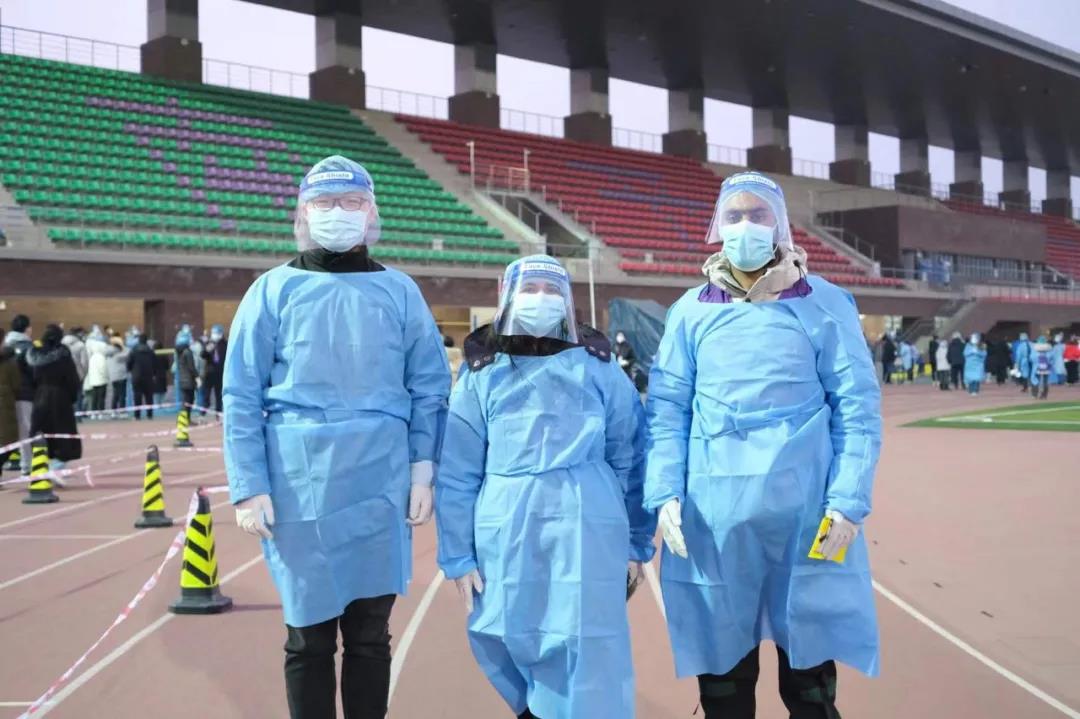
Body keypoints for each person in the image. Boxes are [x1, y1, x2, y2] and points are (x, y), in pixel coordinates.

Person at [646, 171, 882, 718]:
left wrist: (848, 500)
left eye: (758, 215)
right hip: (714, 519)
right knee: (723, 676)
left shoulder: (824, 304)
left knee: (809, 675)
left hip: (806, 517)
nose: (745, 226)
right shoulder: (691, 312)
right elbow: (667, 410)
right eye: (734, 216)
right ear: (717, 225)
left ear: (780, 225)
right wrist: (664, 492)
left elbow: (857, 408)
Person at [223, 155, 451, 719]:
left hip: (380, 480)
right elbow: (241, 394)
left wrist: (423, 468)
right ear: (303, 213)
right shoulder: (271, 291)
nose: (338, 213)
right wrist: (249, 485)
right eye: (325, 203)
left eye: (351, 202)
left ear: (371, 213)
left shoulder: (400, 292)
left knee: (371, 633)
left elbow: (429, 387)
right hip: (300, 484)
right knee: (309, 636)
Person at [436, 255, 655, 719]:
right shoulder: (482, 373)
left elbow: (632, 454)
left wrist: (636, 540)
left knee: (589, 650)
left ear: (568, 302)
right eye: (530, 288)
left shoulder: (599, 369)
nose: (540, 299)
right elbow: (458, 470)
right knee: (507, 637)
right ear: (507, 296)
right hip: (506, 531)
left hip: (588, 528)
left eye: (551, 290)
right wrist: (458, 553)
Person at [26, 325, 82, 476]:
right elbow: (72, 377)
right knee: (62, 432)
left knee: (40, 431)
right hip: (60, 396)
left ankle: (40, 464)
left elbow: (30, 378)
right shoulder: (62, 353)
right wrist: (72, 396)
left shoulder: (34, 353)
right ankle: (58, 466)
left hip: (40, 395)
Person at [3, 315, 34, 475]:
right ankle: (27, 465)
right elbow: (33, 370)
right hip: (24, 394)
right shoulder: (28, 347)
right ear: (27, 328)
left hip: (7, 396)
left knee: (6, 432)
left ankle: (14, 461)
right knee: (26, 431)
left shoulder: (6, 346)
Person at [0, 329, 21, 477]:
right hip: (5, 405)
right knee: (10, 443)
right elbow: (17, 385)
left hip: (5, 405)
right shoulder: (9, 361)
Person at [127, 335, 157, 420]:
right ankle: (149, 414)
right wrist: (154, 373)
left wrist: (131, 370)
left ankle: (137, 415)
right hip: (148, 376)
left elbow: (129, 362)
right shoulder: (150, 351)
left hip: (136, 376)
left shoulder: (134, 350)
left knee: (137, 396)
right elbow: (155, 364)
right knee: (149, 396)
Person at [83, 329, 113, 413]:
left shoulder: (92, 357)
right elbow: (104, 370)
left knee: (94, 396)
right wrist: (107, 378)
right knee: (101, 397)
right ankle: (100, 411)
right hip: (102, 380)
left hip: (93, 380)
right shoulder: (101, 357)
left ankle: (93, 411)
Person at [200, 324, 227, 413]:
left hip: (220, 373)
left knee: (219, 395)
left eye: (217, 333)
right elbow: (202, 355)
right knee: (206, 394)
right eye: (214, 333)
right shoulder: (209, 343)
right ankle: (203, 413)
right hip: (209, 372)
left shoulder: (224, 344)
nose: (215, 335)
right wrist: (207, 349)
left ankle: (218, 413)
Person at [62, 327, 89, 412]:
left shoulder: (61, 343)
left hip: (64, 375)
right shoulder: (81, 345)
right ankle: (78, 414)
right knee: (78, 396)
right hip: (78, 375)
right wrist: (83, 374)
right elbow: (84, 362)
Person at [174, 329, 199, 411]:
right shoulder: (188, 352)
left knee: (184, 401)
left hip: (182, 380)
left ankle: (183, 418)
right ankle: (185, 418)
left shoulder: (178, 352)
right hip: (189, 380)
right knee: (188, 401)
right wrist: (197, 377)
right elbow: (191, 367)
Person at [107, 333, 130, 412]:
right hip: (121, 375)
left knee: (115, 394)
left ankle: (113, 410)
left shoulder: (108, 351)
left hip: (113, 376)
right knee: (122, 394)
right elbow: (128, 354)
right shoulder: (122, 352)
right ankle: (122, 411)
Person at [1030, 336, 1053, 400]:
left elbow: (1032, 357)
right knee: (1045, 381)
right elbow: (1051, 357)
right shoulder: (1049, 348)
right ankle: (1044, 395)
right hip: (1046, 367)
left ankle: (1035, 394)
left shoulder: (1035, 348)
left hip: (1037, 366)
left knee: (1035, 380)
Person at [149, 339, 170, 406]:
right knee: (162, 392)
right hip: (163, 375)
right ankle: (161, 404)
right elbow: (167, 366)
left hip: (155, 376)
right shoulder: (164, 355)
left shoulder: (152, 355)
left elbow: (151, 366)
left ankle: (157, 405)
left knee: (156, 393)